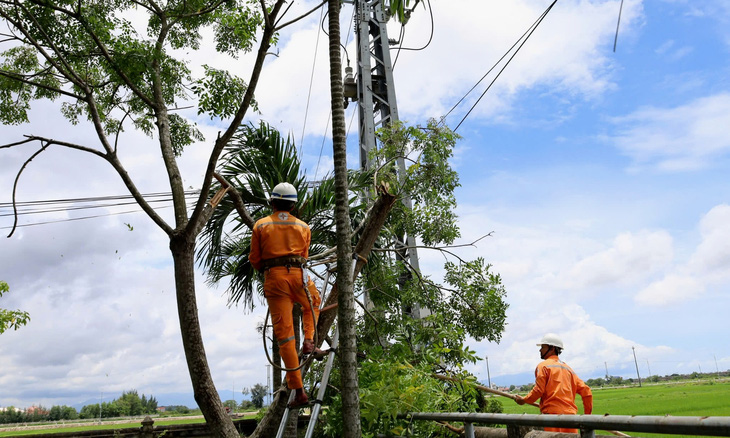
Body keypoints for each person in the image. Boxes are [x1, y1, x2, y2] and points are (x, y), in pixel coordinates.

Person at [249, 182, 324, 408]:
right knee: (314, 303)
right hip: (299, 276)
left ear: (272, 202)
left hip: (275, 279)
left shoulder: (261, 226)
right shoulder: (303, 227)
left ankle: (299, 391)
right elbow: (304, 255)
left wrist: (269, 270)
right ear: (293, 205)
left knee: (286, 337)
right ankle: (310, 341)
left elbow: (255, 259)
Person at [515, 333, 593, 433]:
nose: (540, 350)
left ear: (552, 348)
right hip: (570, 419)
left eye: (543, 347)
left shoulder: (543, 366)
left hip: (552, 418)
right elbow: (587, 392)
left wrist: (524, 400)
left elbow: (538, 390)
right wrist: (587, 417)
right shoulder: (569, 369)